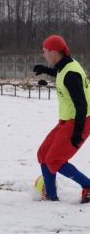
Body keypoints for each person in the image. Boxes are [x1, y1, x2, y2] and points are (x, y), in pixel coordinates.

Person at [33, 35, 90, 203]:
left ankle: (88, 185)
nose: (43, 55)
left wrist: (78, 131)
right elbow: (61, 72)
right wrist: (46, 70)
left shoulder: (71, 74)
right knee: (43, 154)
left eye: (44, 52)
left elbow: (81, 105)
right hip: (67, 120)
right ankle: (51, 195)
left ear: (53, 52)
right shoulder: (66, 65)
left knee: (54, 160)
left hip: (79, 121)